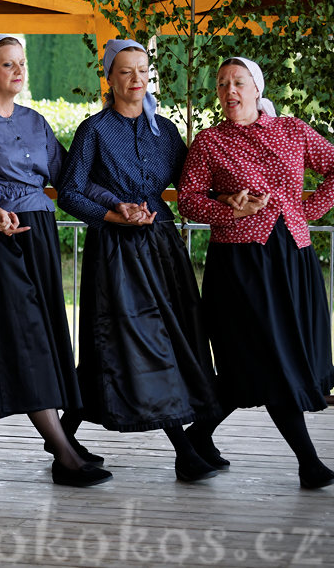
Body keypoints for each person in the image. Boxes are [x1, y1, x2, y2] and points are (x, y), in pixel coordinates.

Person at [0, 34, 112, 487]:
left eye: (21, 63)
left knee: (22, 337)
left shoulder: (36, 122)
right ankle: (63, 452)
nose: (18, 71)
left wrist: (116, 205)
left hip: (40, 237)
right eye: (8, 64)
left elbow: (69, 179)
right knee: (25, 338)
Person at [55, 39, 222, 482]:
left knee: (130, 346)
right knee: (147, 342)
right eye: (126, 71)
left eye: (143, 71)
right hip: (116, 251)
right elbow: (70, 190)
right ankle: (184, 451)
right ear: (109, 78)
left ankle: (61, 439)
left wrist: (232, 192)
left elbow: (193, 183)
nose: (136, 80)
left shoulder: (164, 131)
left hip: (162, 246)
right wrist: (113, 212)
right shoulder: (94, 130)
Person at [178, 56, 334, 489]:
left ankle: (195, 440)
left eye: (239, 82)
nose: (230, 91)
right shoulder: (209, 142)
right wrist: (229, 210)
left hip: (293, 257)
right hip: (240, 263)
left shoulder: (292, 129)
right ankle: (309, 463)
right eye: (223, 83)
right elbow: (188, 201)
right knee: (271, 356)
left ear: (256, 88)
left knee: (260, 362)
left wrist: (305, 210)